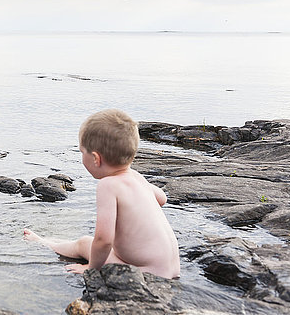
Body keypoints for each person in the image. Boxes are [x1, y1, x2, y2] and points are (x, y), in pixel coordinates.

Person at [24, 109, 180, 279]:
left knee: (84, 243)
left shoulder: (108, 185)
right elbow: (162, 199)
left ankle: (44, 243)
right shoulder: (136, 177)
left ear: (96, 159)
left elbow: (104, 240)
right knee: (91, 244)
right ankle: (52, 241)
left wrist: (91, 268)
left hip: (147, 272)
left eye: (82, 152)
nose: (82, 156)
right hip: (171, 268)